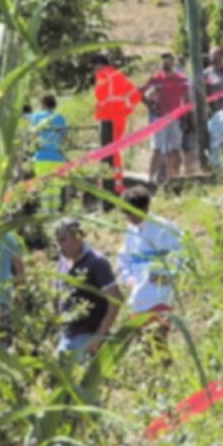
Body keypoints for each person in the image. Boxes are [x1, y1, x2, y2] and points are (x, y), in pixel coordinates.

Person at [116, 185, 184, 364]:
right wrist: (129, 278)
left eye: (131, 213)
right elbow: (124, 259)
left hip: (159, 294)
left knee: (158, 340)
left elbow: (180, 255)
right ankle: (156, 376)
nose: (129, 218)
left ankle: (168, 374)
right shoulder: (131, 231)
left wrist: (166, 276)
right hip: (139, 296)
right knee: (143, 343)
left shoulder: (163, 228)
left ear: (144, 208)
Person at [53, 218, 123, 360]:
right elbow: (56, 297)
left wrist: (99, 336)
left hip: (88, 337)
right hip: (66, 338)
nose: (59, 246)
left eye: (63, 239)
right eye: (57, 241)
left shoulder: (96, 262)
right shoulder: (62, 264)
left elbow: (116, 299)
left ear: (78, 236)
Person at [139, 55, 189, 185]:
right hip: (159, 118)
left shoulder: (181, 80)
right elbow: (139, 91)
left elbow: (186, 99)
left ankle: (175, 180)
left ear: (173, 63)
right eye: (163, 62)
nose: (166, 64)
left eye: (168, 62)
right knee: (157, 149)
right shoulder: (156, 79)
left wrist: (184, 118)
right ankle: (150, 180)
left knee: (175, 150)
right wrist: (149, 104)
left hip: (175, 118)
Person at [30, 95, 69, 212]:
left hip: (41, 156)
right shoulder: (60, 117)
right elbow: (63, 135)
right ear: (54, 105)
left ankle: (45, 211)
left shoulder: (36, 117)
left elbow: (33, 134)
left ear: (42, 104)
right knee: (55, 186)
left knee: (43, 185)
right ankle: (54, 211)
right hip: (57, 156)